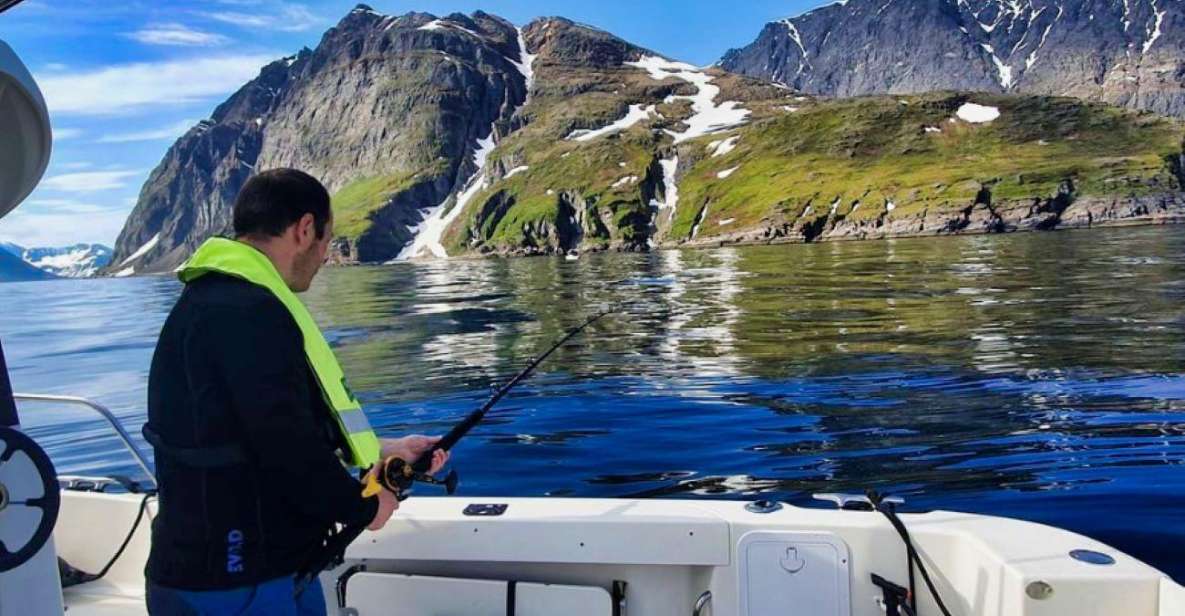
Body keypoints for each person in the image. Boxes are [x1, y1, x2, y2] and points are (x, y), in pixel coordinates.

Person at [142, 168, 448, 615]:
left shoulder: (219, 302)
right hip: (233, 579)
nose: (326, 255)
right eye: (327, 239)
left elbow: (261, 427)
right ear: (305, 229)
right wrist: (364, 506)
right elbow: (284, 445)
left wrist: (385, 449)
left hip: (265, 568)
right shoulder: (246, 314)